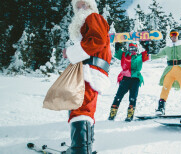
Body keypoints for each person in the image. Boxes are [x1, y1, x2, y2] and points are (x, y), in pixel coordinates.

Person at [62, 0, 111, 153]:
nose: (81, 8)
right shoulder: (88, 23)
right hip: (89, 69)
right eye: (77, 6)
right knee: (82, 106)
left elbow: (98, 41)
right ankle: (84, 146)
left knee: (80, 107)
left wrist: (71, 52)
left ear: (91, 6)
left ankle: (80, 150)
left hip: (90, 69)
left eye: (84, 5)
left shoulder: (93, 17)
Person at [151, 29, 181, 124]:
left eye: (176, 34)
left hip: (180, 69)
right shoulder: (167, 48)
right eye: (172, 34)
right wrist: (145, 56)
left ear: (178, 35)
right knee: (165, 87)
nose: (174, 36)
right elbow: (158, 55)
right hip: (169, 69)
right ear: (170, 36)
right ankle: (161, 108)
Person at [108, 42, 150, 122]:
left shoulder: (140, 56)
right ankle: (112, 115)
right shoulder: (124, 55)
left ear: (136, 49)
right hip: (125, 79)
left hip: (135, 79)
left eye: (134, 49)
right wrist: (117, 46)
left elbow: (147, 54)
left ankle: (130, 116)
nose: (132, 50)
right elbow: (117, 53)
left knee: (132, 98)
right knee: (118, 97)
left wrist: (147, 48)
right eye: (131, 48)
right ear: (128, 49)